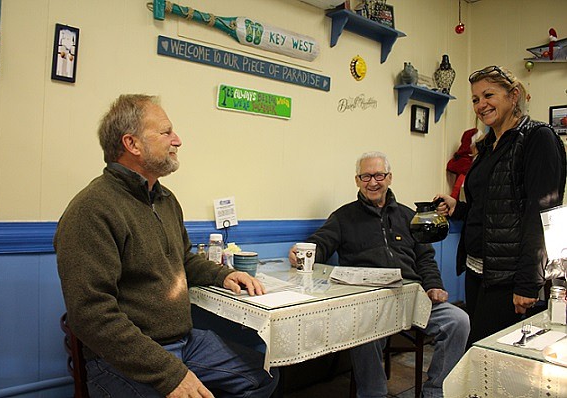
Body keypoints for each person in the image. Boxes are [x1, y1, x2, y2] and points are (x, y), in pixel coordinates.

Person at [54, 94, 278, 398]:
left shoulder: (165, 199)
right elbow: (91, 315)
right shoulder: (92, 209)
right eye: (166, 132)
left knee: (264, 376)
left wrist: (221, 275)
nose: (178, 140)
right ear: (132, 144)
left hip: (184, 342)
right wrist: (171, 375)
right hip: (124, 358)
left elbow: (182, 260)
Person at [289, 151, 469, 398]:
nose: (372, 182)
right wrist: (301, 254)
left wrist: (433, 287)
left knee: (458, 321)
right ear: (357, 180)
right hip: (369, 304)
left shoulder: (409, 216)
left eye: (378, 175)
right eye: (365, 176)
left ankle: (435, 391)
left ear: (389, 178)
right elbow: (318, 245)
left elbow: (425, 259)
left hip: (413, 296)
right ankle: (373, 394)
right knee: (363, 329)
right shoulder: (343, 217)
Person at [436, 65, 566, 347]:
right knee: (480, 352)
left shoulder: (537, 138)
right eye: (474, 99)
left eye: (488, 95)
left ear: (513, 95)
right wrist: (457, 208)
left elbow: (542, 215)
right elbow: (490, 210)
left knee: (493, 361)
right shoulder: (486, 147)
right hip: (477, 273)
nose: (480, 105)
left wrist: (527, 283)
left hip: (509, 280)